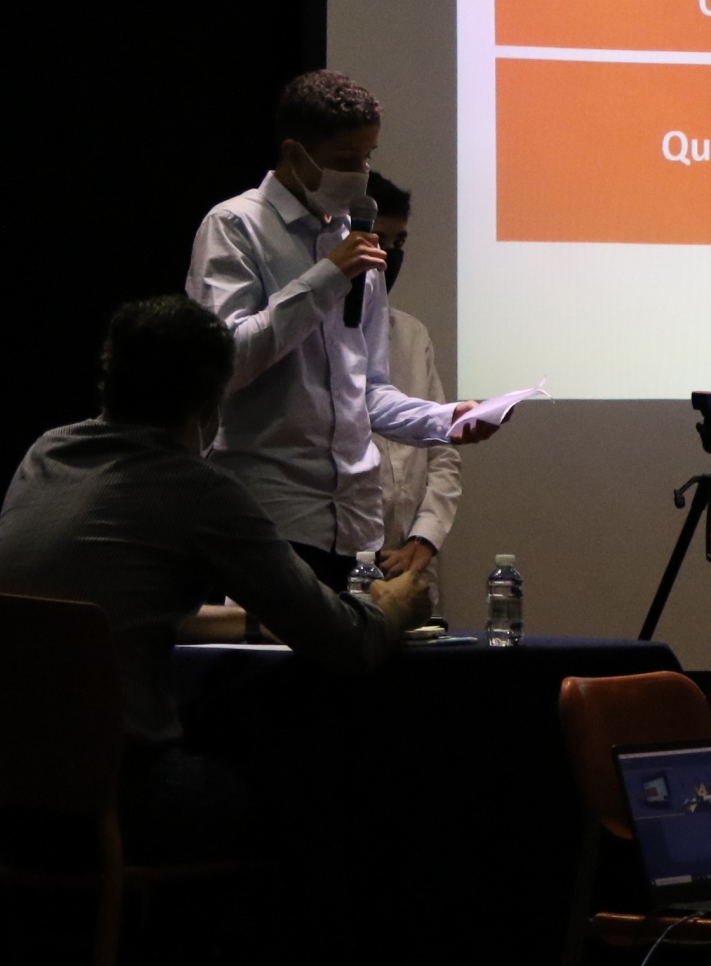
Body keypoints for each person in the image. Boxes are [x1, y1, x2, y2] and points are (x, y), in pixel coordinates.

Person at [0, 295, 434, 966]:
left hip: (2, 800)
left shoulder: (47, 455)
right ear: (212, 404)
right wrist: (398, 603)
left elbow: (117, 588)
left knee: (245, 785)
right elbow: (344, 641)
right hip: (114, 803)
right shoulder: (194, 487)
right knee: (315, 840)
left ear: (108, 381)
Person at [186, 69, 495, 590]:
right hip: (268, 518)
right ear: (295, 153)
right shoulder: (235, 226)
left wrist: (443, 420)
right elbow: (224, 363)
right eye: (347, 160)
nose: (362, 174)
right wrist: (327, 277)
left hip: (355, 526)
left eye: (368, 156)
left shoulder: (354, 239)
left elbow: (367, 391)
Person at [366, 171, 461, 599]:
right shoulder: (312, 337)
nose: (389, 255)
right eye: (378, 240)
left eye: (398, 242)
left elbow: (443, 456)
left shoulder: (411, 335)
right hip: (338, 562)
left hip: (408, 564)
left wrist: (423, 540)